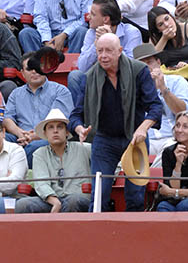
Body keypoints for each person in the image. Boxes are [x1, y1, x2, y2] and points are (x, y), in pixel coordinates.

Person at [68, 33, 162, 212]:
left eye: (109, 51)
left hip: (135, 139)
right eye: (100, 51)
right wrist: (80, 129)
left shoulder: (139, 70)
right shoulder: (88, 77)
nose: (103, 56)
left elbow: (155, 106)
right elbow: (76, 115)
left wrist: (143, 128)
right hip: (104, 140)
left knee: (135, 195)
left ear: (120, 51)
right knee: (98, 196)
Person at [67, 0, 142, 103]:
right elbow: (82, 67)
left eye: (93, 14)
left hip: (123, 80)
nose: (88, 17)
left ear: (106, 19)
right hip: (98, 77)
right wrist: (96, 44)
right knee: (75, 76)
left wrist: (112, 40)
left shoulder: (132, 33)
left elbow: (131, 67)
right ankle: (81, 112)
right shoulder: (91, 33)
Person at [3, 51, 74, 166]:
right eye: (29, 69)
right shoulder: (16, 94)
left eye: (37, 67)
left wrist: (34, 136)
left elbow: (59, 121)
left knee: (33, 147)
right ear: (22, 73)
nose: (34, 71)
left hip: (48, 138)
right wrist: (20, 134)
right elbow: (7, 119)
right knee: (0, 139)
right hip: (21, 137)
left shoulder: (60, 91)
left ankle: (17, 172)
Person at [15, 108, 91, 213]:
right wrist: (54, 201)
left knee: (73, 200)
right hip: (51, 201)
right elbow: (41, 183)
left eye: (60, 127)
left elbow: (106, 158)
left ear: (67, 132)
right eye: (51, 127)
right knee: (22, 204)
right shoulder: (39, 154)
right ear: (45, 133)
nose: (55, 131)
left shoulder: (84, 148)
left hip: (77, 200)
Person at [132, 42, 188, 166]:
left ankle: (152, 176)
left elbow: (185, 113)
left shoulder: (177, 81)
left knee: (170, 150)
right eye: (141, 65)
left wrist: (163, 88)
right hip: (145, 140)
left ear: (158, 62)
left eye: (149, 62)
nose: (146, 68)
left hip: (172, 138)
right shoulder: (132, 88)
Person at [18, 0, 96, 53]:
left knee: (82, 32)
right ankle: (37, 61)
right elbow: (40, 15)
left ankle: (72, 61)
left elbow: (85, 18)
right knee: (26, 33)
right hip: (49, 31)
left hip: (72, 34)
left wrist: (64, 34)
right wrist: (47, 40)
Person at [148, 6, 188, 87]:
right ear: (157, 30)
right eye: (161, 24)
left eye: (167, 19)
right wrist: (164, 39)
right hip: (170, 80)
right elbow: (152, 63)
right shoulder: (155, 39)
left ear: (171, 16)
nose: (167, 24)